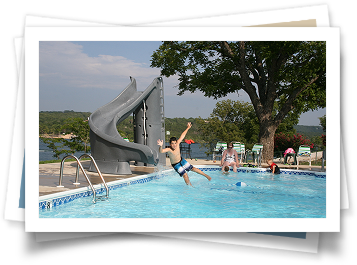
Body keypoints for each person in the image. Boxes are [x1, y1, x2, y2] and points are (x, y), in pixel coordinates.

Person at [157, 122, 211, 187]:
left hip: (182, 160)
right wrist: (160, 146)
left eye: (175, 143)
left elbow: (183, 135)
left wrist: (188, 128)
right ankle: (190, 187)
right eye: (172, 144)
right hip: (176, 165)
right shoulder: (169, 149)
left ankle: (206, 176)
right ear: (170, 144)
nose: (174, 145)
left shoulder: (178, 144)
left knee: (193, 168)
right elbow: (161, 151)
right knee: (185, 175)